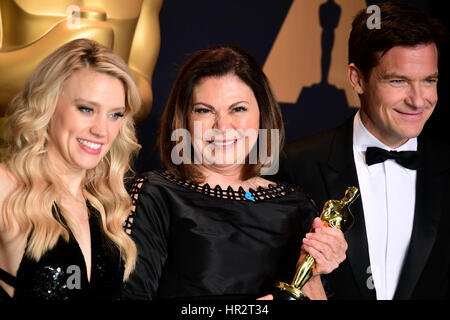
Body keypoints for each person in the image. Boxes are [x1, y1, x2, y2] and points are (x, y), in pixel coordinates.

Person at [122, 44, 348, 300]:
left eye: (238, 109)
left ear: (263, 114)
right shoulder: (156, 193)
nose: (222, 125)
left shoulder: (297, 205)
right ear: (183, 118)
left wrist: (315, 273)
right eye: (204, 111)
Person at [276, 2, 449, 300]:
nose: (419, 100)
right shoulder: (295, 165)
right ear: (357, 79)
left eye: (429, 81)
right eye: (398, 81)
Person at [0, 38, 141, 300]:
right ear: (48, 105)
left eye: (115, 115)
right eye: (86, 109)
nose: (101, 130)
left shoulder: (106, 207)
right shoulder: (7, 188)